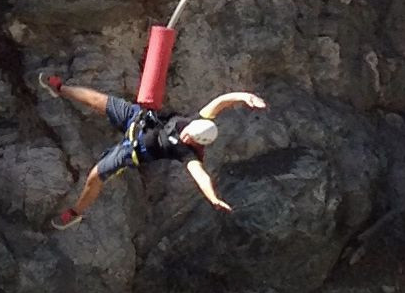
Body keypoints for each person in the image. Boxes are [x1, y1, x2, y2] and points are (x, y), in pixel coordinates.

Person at [43, 74, 268, 226]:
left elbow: (201, 177)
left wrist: (213, 199)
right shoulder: (197, 119)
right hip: (136, 118)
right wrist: (245, 96)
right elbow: (221, 102)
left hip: (131, 150)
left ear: (197, 143)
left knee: (94, 177)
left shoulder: (188, 153)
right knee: (95, 100)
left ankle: (75, 213)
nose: (185, 135)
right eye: (188, 131)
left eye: (189, 138)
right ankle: (60, 88)